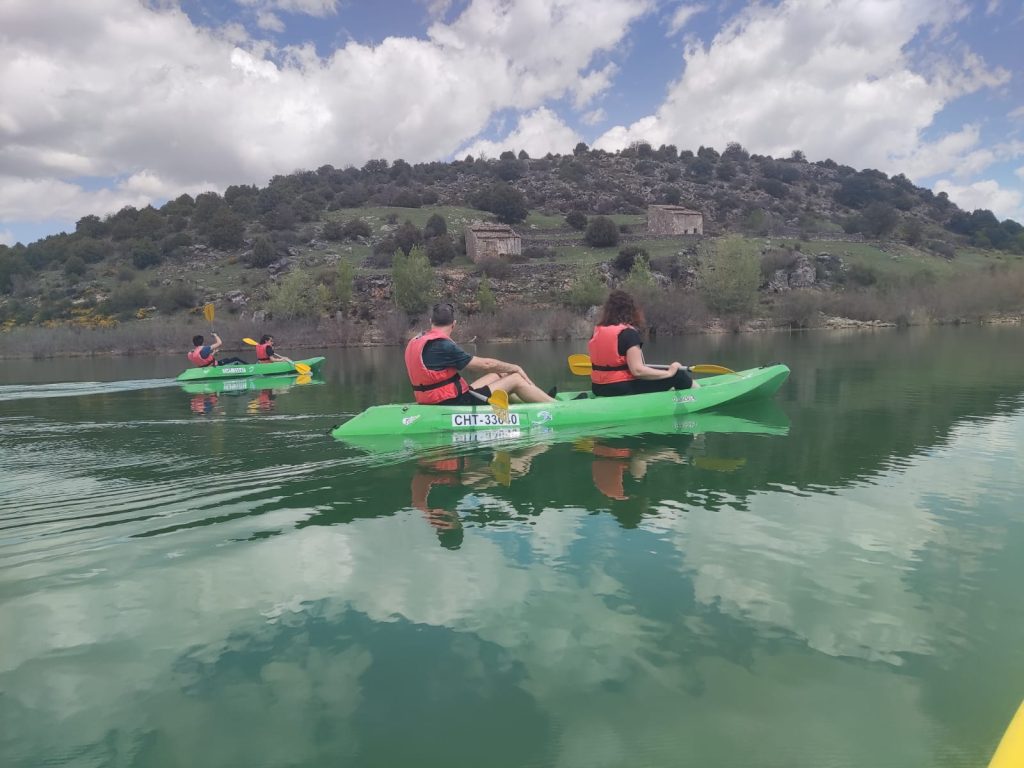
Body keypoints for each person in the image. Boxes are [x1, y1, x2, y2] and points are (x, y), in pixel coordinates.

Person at [404, 302, 555, 405]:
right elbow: (486, 364)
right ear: (454, 324)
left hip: (431, 398)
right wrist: (515, 367)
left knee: (499, 375)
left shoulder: (416, 341)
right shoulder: (443, 345)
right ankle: (556, 406)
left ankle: (531, 401)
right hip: (451, 401)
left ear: (431, 321)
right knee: (515, 378)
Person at [589, 289, 700, 397]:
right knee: (678, 375)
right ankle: (699, 395)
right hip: (620, 388)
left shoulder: (596, 333)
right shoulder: (628, 334)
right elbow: (637, 371)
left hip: (598, 388)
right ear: (630, 311)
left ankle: (674, 392)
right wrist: (669, 373)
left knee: (662, 375)